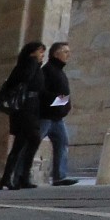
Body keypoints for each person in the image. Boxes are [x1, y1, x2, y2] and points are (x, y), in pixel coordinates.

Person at [0, 41, 47, 190]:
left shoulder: (34, 66)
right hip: (26, 109)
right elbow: (25, 81)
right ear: (31, 52)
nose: (42, 54)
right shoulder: (29, 64)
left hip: (30, 108)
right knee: (32, 139)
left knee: (20, 144)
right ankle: (21, 176)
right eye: (40, 51)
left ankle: (11, 177)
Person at [40, 41, 77, 185]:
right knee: (32, 143)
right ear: (56, 54)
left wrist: (64, 105)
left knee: (62, 142)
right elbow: (44, 93)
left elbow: (63, 94)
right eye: (65, 52)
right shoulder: (48, 70)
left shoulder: (59, 70)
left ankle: (59, 176)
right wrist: (60, 103)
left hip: (57, 118)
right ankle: (19, 173)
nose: (69, 54)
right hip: (46, 116)